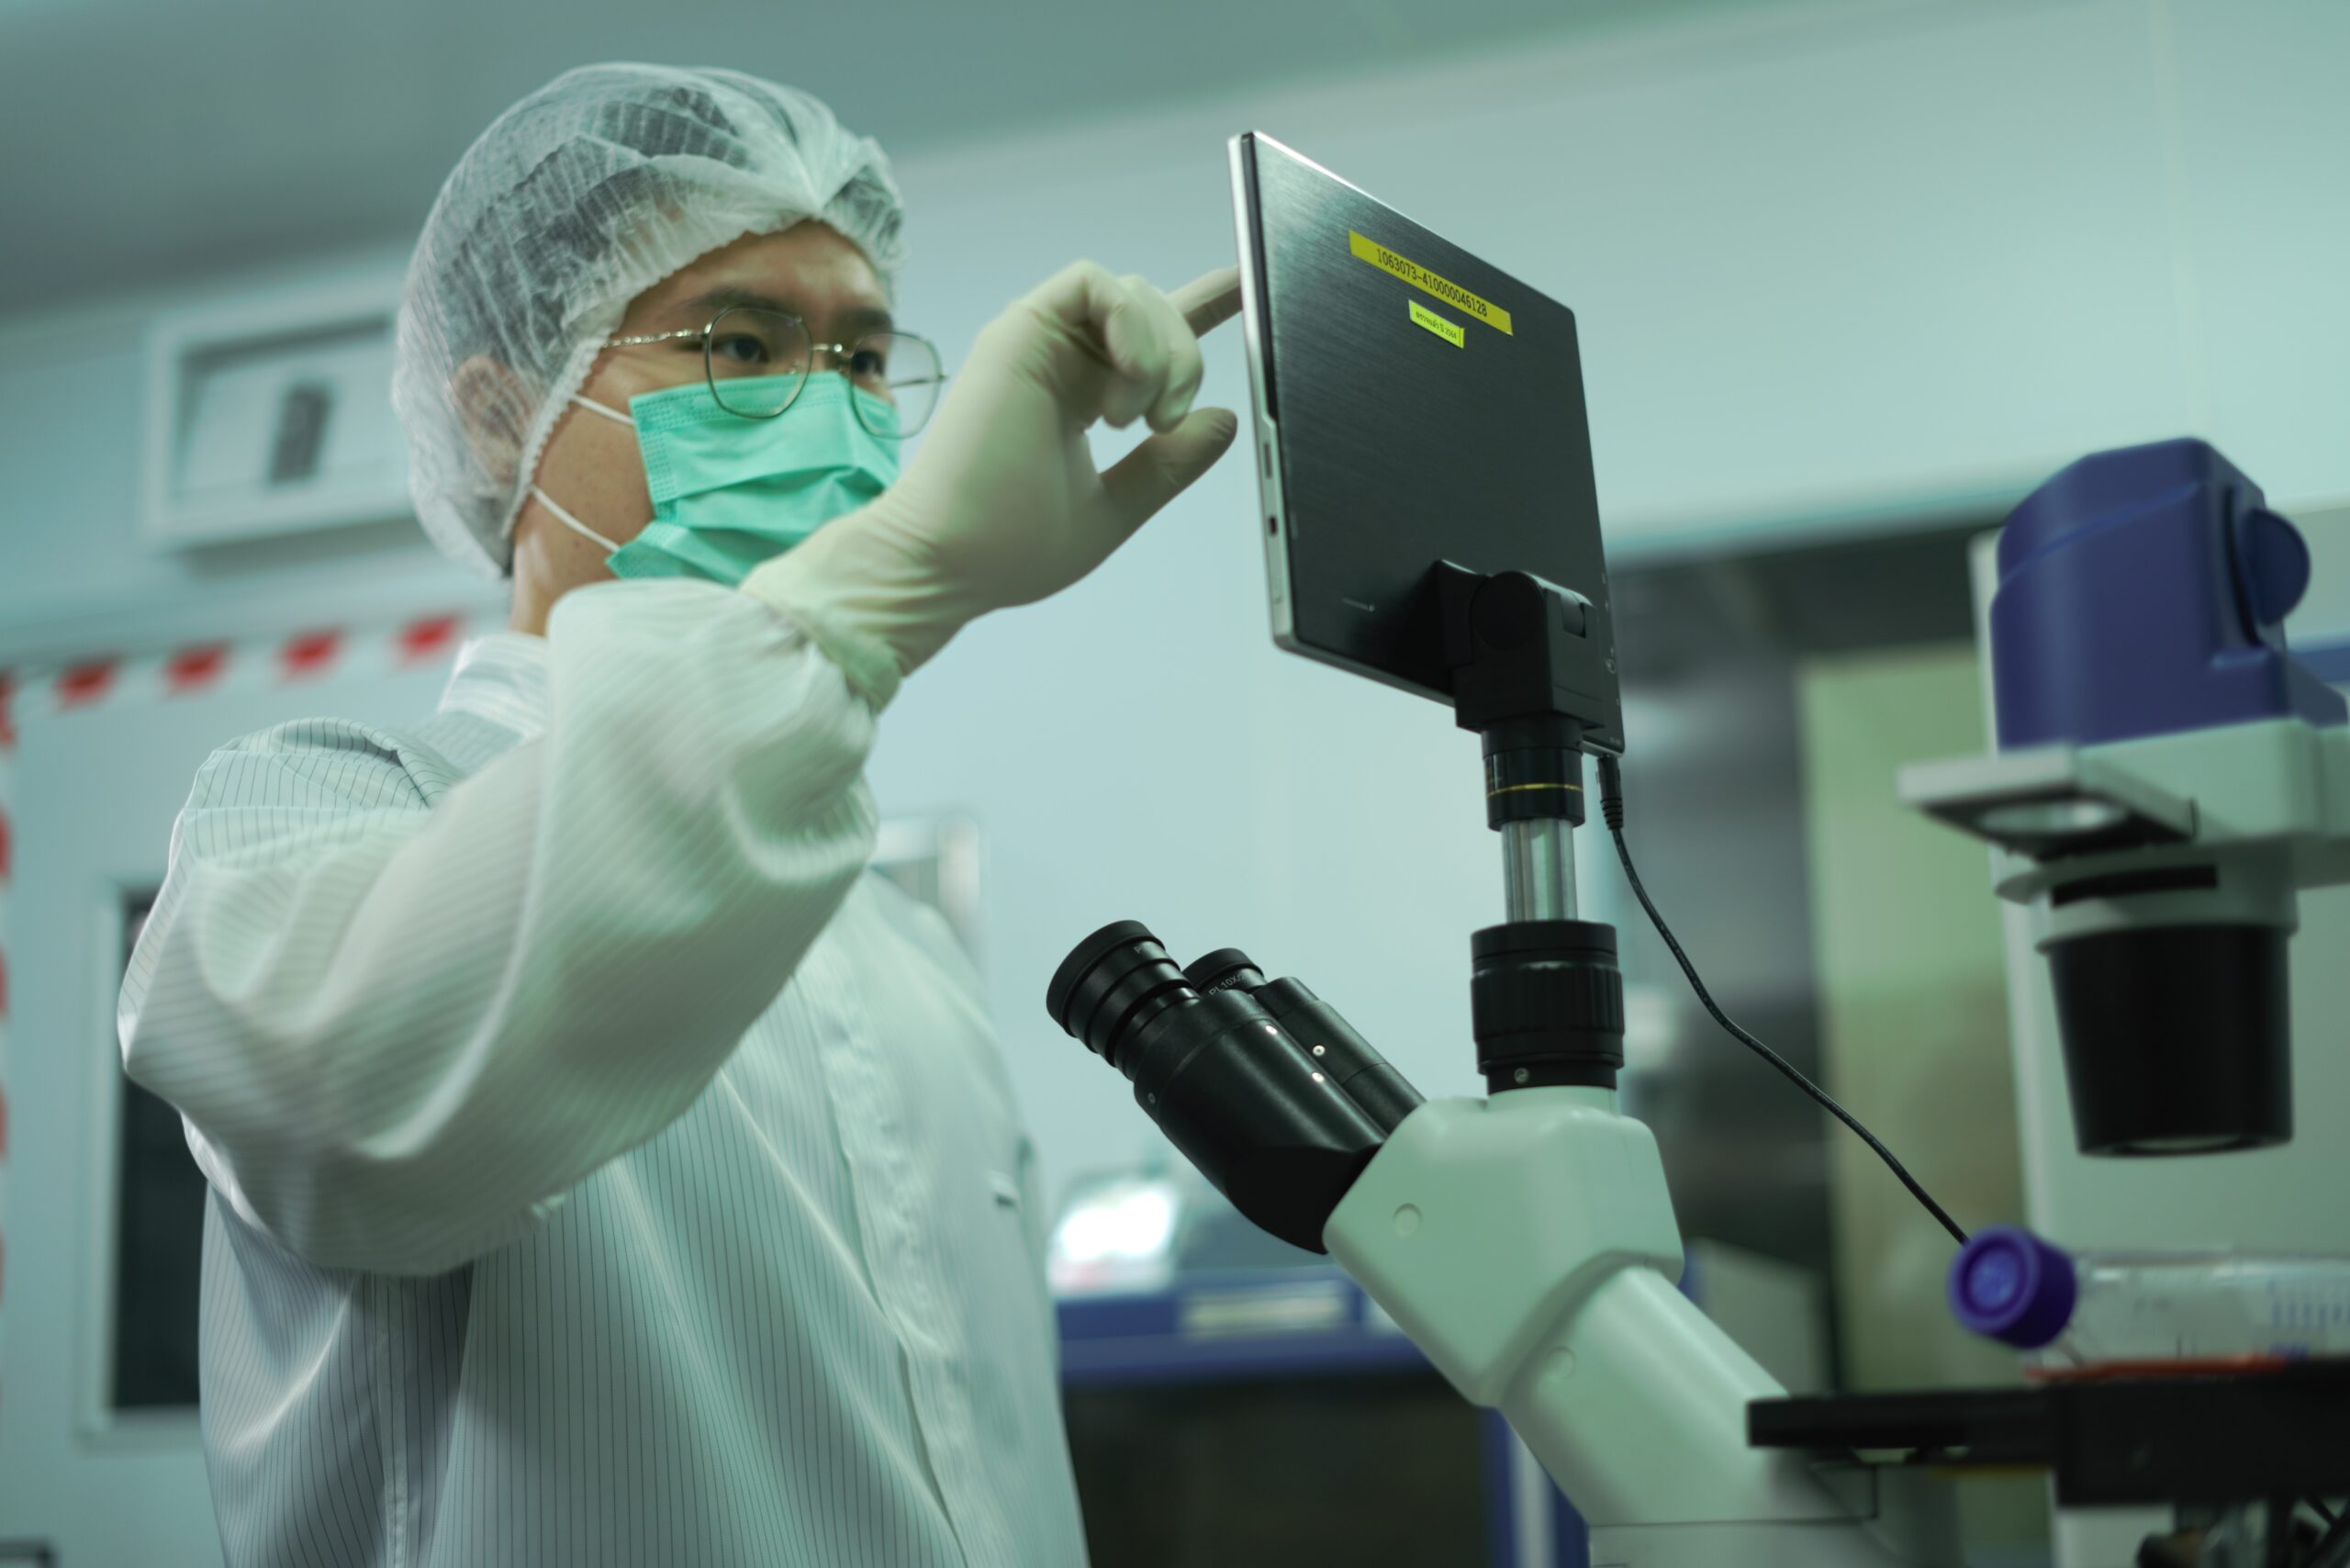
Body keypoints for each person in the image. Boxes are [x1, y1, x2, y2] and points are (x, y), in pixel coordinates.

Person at [117, 62, 1240, 1568]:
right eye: (740, 341)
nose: (830, 411)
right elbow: (362, 1110)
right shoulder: (317, 818)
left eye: (857, 357)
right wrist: (865, 610)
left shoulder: (903, 947)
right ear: (506, 411)